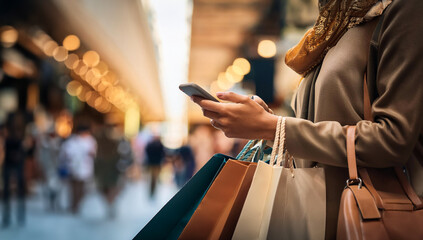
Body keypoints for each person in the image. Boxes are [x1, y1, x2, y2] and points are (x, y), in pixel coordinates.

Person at [191, 0, 423, 238]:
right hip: (313, 213)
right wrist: (266, 123)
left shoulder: (402, 9)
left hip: (367, 215)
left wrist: (276, 127)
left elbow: (394, 138)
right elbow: (322, 127)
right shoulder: (334, 26)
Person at [59, 122, 97, 214]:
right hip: (73, 168)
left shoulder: (90, 140)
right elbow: (66, 153)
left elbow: (93, 153)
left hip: (84, 168)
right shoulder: (73, 141)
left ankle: (77, 205)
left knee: (81, 189)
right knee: (74, 188)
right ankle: (74, 205)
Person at [2, 111, 30, 227]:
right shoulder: (9, 130)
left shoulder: (21, 131)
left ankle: (17, 216)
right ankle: (10, 217)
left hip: (16, 162)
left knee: (17, 191)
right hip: (10, 162)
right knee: (9, 192)